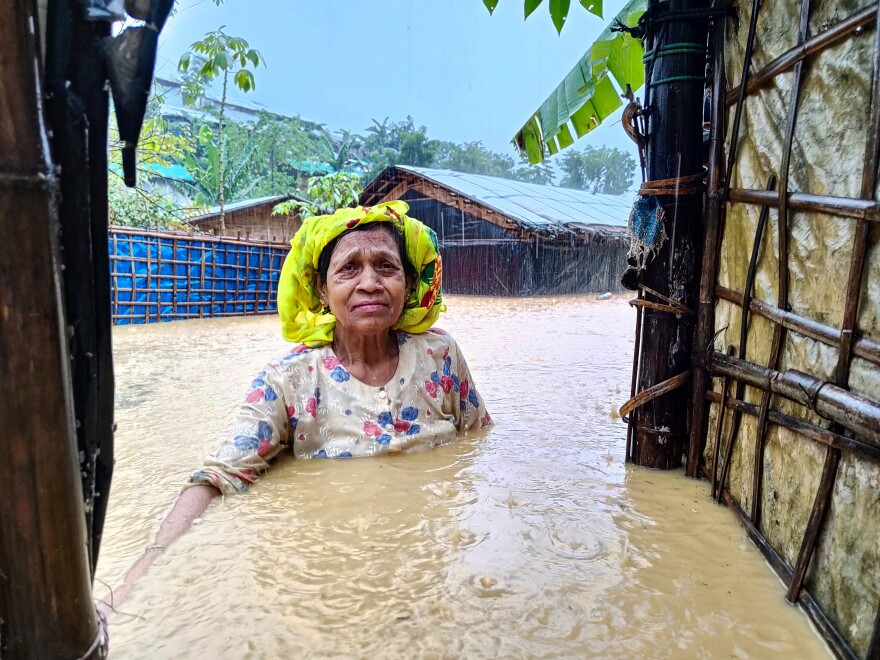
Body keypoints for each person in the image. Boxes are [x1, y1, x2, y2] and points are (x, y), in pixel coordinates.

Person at [102, 201, 491, 612]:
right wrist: (146, 569)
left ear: (409, 284)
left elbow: (479, 443)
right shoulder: (289, 381)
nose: (370, 282)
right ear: (322, 289)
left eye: (386, 266)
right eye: (349, 269)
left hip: (429, 567)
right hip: (334, 579)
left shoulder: (441, 355)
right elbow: (220, 474)